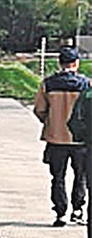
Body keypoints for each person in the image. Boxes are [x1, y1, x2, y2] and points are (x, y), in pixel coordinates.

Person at [33, 46, 89, 227]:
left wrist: (51, 122)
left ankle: (60, 213)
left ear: (60, 62)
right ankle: (78, 210)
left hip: (56, 138)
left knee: (58, 177)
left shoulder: (48, 84)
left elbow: (39, 109)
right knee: (80, 176)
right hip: (80, 140)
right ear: (76, 63)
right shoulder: (86, 84)